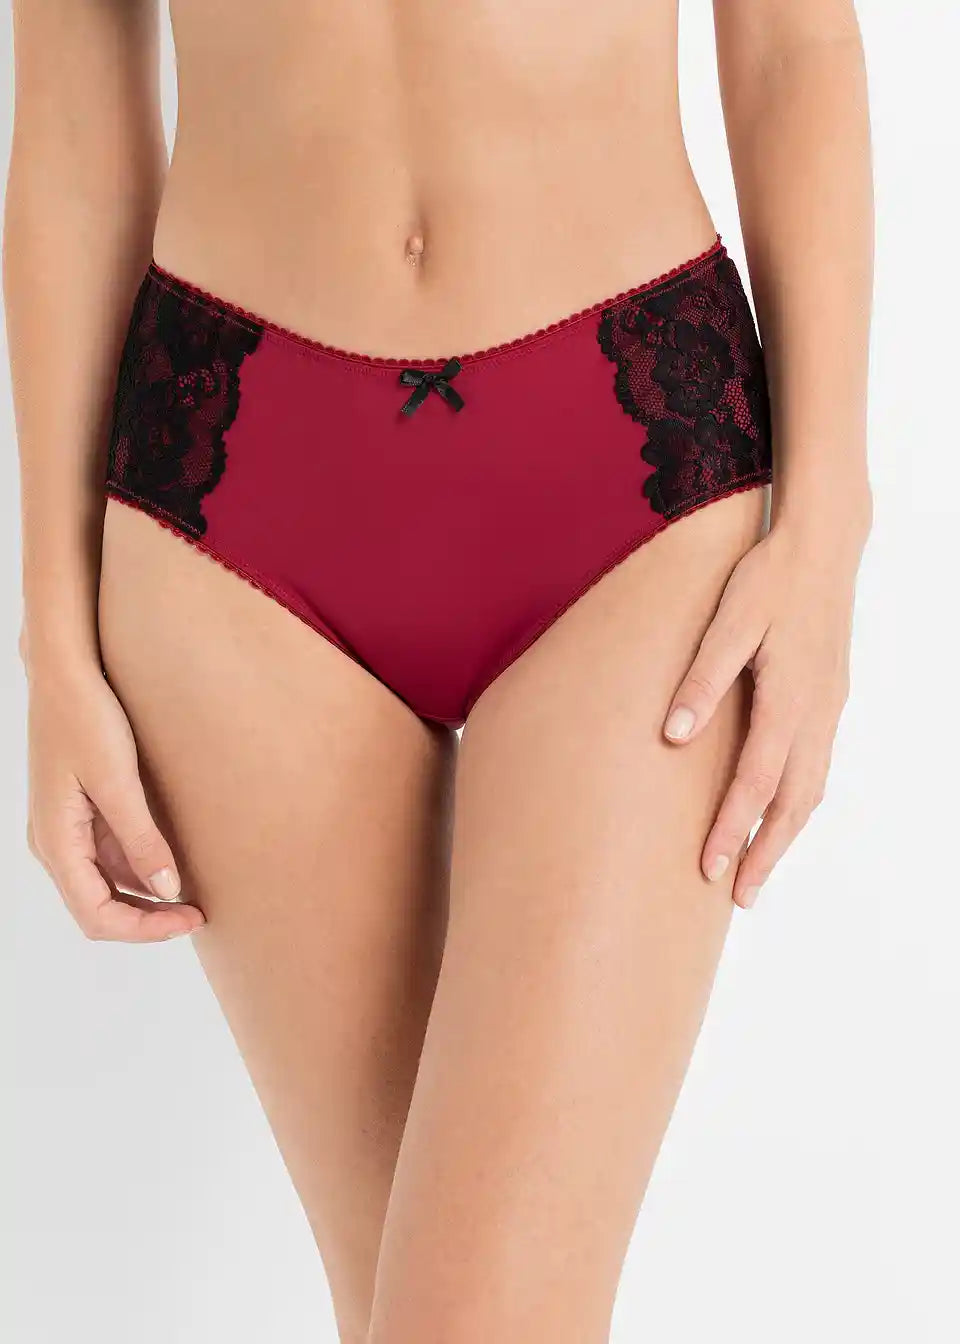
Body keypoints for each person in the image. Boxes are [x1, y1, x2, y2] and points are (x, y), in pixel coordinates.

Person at [4, 2, 873, 1340]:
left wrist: (828, 527)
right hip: (230, 499)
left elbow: (795, 44)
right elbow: (72, 120)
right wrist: (52, 637)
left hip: (633, 467)